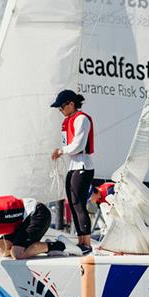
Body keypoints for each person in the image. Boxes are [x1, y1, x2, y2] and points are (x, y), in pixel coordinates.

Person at [51, 89, 95, 255]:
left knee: (79, 204)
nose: (60, 111)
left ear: (71, 104)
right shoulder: (68, 121)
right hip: (73, 166)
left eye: (61, 107)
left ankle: (87, 242)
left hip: (83, 166)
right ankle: (80, 240)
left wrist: (61, 151)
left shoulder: (81, 119)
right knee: (73, 203)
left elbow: (78, 145)